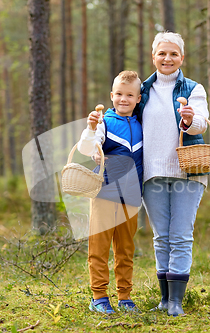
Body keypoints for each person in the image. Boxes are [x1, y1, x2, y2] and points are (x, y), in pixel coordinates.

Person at [134, 32, 210, 316]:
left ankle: (177, 301)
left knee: (180, 236)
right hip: (151, 174)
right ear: (153, 56)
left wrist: (190, 120)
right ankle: (164, 299)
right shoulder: (142, 90)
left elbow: (201, 122)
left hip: (187, 172)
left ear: (182, 57)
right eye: (162, 53)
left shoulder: (192, 88)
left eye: (174, 54)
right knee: (160, 237)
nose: (167, 58)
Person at [77, 71, 143, 314]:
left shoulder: (141, 124)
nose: (123, 99)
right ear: (111, 95)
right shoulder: (104, 123)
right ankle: (99, 296)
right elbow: (87, 147)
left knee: (125, 249)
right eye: (118, 94)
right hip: (104, 192)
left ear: (138, 98)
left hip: (132, 196)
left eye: (129, 95)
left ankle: (125, 297)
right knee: (100, 247)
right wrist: (91, 129)